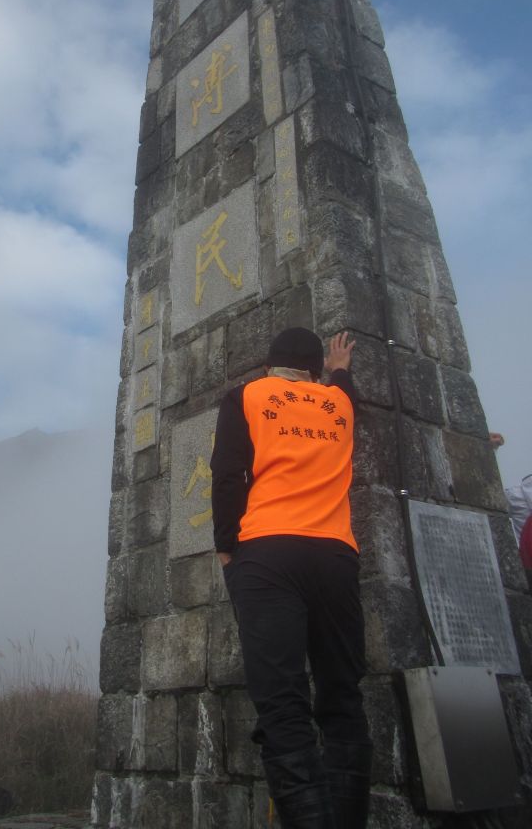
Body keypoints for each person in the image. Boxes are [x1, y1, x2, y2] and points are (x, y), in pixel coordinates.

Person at [211, 327, 371, 829]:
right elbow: (344, 386)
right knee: (342, 694)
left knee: (282, 704)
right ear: (314, 370)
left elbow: (227, 474)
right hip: (334, 554)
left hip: (267, 552)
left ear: (272, 364)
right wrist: (339, 366)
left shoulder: (248, 395)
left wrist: (225, 547)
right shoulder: (339, 404)